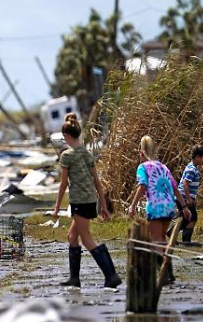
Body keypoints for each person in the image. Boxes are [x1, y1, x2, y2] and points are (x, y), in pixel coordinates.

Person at [52, 113, 121, 289]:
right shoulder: (88, 154)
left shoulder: (67, 156)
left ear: (67, 136)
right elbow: (97, 182)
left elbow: (63, 184)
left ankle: (111, 275)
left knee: (87, 239)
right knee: (71, 237)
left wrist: (57, 207)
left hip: (79, 202)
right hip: (90, 201)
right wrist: (103, 206)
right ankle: (74, 279)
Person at [128, 135, 191, 283]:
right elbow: (175, 187)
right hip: (169, 206)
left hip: (155, 207)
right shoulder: (163, 166)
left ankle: (164, 275)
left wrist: (132, 205)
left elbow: (142, 185)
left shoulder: (142, 167)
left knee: (155, 241)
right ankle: (169, 273)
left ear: (141, 153)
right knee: (162, 240)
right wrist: (184, 207)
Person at [176, 145, 203, 243]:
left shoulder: (193, 168)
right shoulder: (191, 169)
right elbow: (185, 184)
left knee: (187, 217)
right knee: (192, 217)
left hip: (185, 197)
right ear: (197, 157)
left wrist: (193, 197)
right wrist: (189, 199)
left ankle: (177, 234)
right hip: (183, 197)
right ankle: (184, 239)